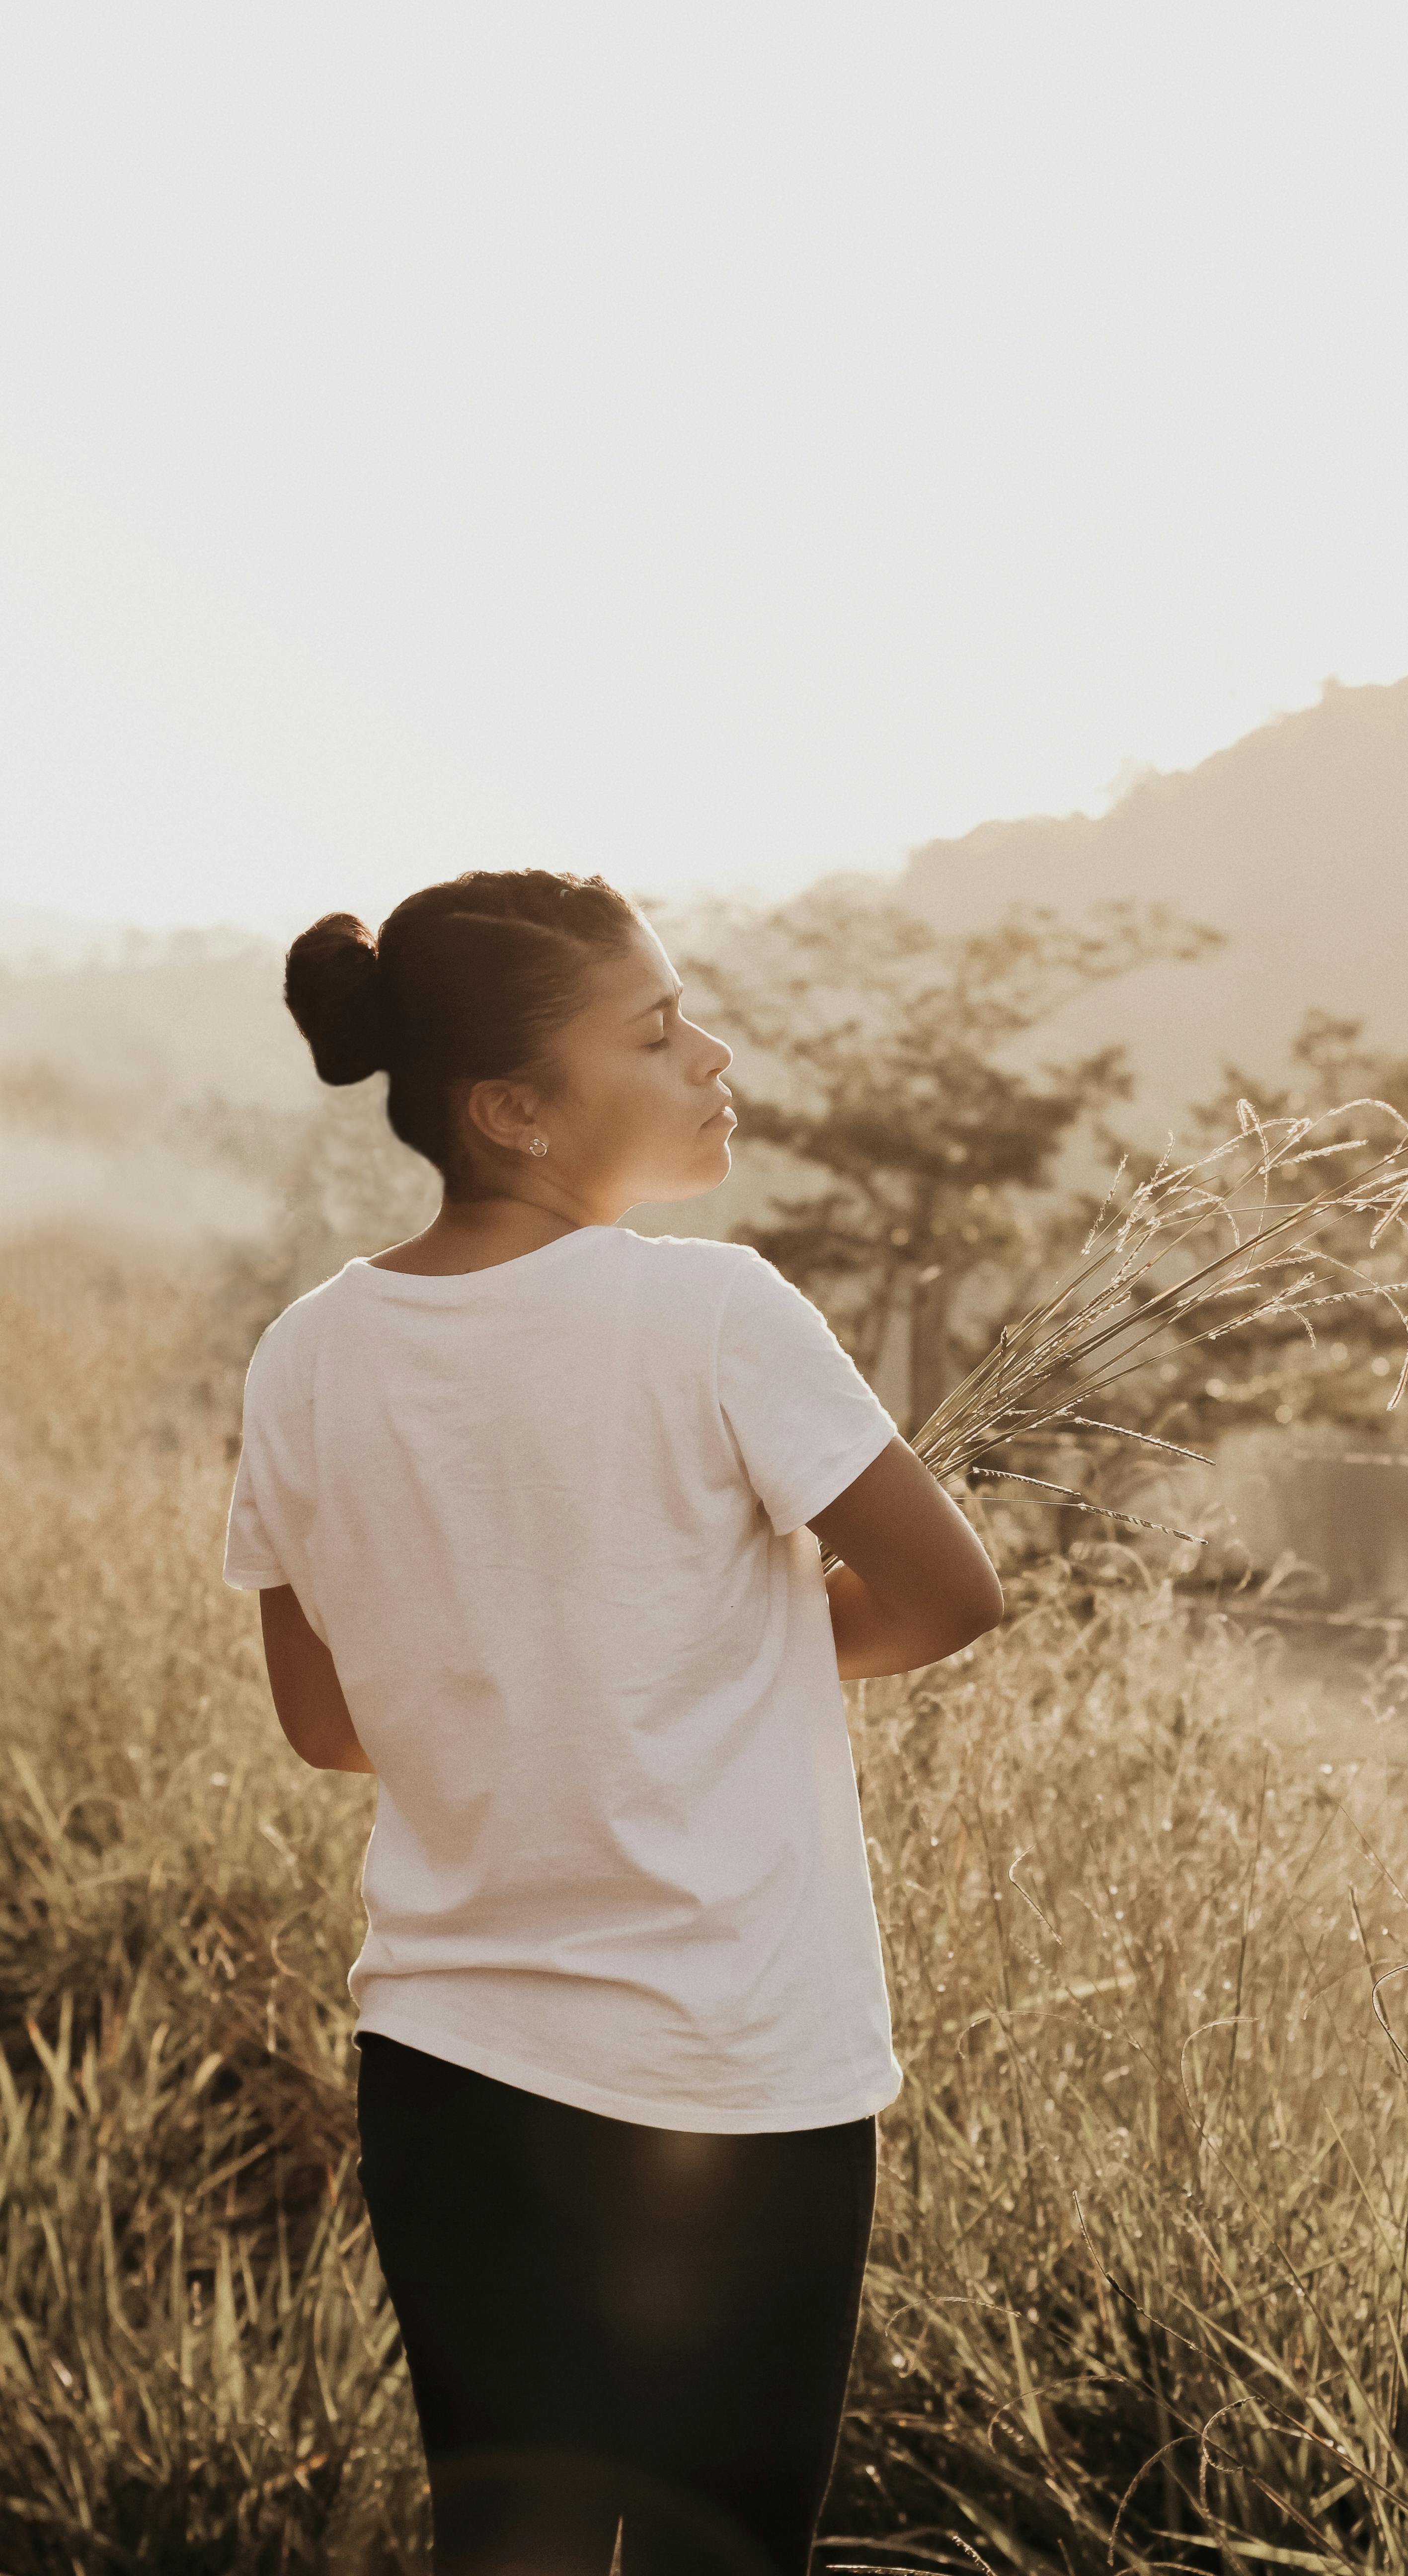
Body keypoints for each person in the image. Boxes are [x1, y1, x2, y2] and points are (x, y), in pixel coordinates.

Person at [222, 869, 1004, 2576]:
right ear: (513, 1110)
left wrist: (552, 1671)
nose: (711, 1051)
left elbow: (325, 1723)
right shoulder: (718, 1313)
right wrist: (720, 1650)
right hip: (722, 2079)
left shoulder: (303, 1357)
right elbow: (953, 1596)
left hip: (449, 2074)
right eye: (656, 1032)